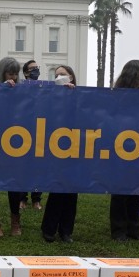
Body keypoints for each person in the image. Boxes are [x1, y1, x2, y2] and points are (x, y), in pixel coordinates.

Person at [109, 60, 139, 241]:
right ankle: (118, 229)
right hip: (120, 147)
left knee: (136, 192)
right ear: (134, 74)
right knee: (120, 192)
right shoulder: (118, 95)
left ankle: (134, 227)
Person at [0, 57, 25, 236]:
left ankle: (15, 222)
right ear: (2, 74)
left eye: (16, 73)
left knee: (14, 183)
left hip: (14, 143)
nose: (14, 77)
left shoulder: (22, 92)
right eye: (11, 73)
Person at [40, 65, 81, 243]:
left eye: (63, 75)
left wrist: (72, 96)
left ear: (71, 77)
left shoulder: (80, 97)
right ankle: (49, 229)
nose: (59, 78)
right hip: (56, 148)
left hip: (76, 149)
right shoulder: (51, 97)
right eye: (56, 75)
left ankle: (66, 231)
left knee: (71, 192)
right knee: (57, 190)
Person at [18, 59, 44, 210]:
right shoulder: (20, 88)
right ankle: (22, 199)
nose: (36, 71)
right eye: (33, 69)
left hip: (39, 131)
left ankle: (36, 200)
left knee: (37, 168)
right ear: (26, 73)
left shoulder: (44, 88)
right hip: (22, 131)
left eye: (37, 68)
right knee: (23, 167)